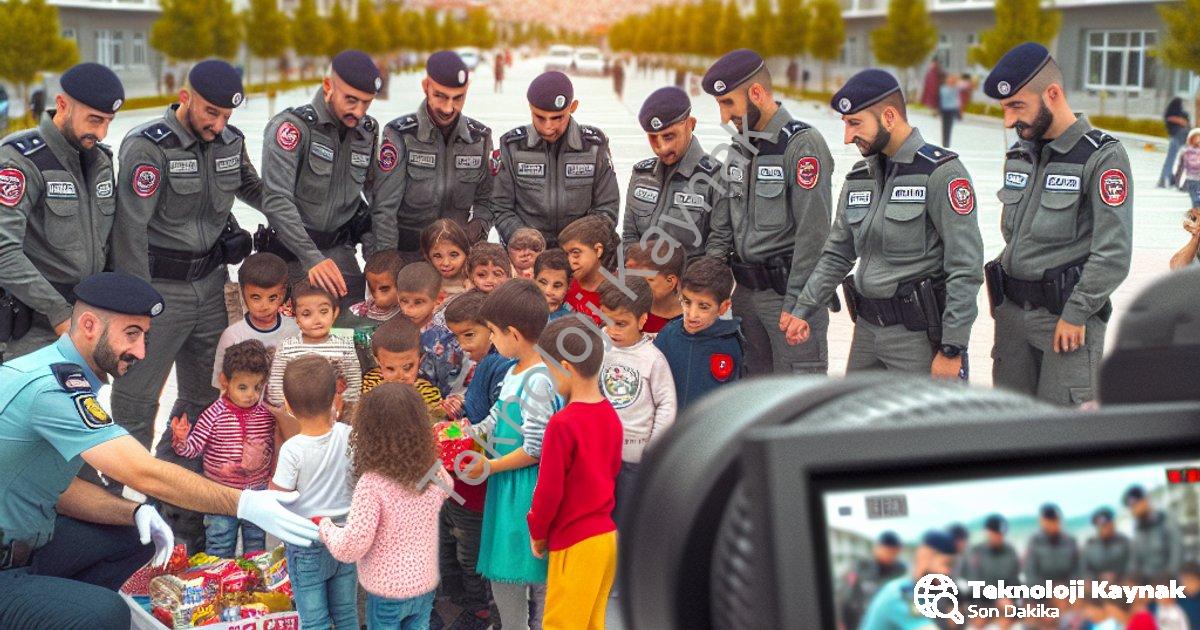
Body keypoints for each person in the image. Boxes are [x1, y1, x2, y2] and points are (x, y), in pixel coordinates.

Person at [0, 272, 318, 628]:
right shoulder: (53, 390)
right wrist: (244, 502)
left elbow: (55, 489)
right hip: (7, 566)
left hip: (26, 543)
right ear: (89, 325)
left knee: (136, 535)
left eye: (145, 336)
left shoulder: (48, 368)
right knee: (108, 613)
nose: (141, 351)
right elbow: (141, 471)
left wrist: (135, 512)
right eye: (132, 334)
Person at [111, 62, 263, 524]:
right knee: (136, 403)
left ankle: (177, 509)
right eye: (210, 112)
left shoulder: (230, 143)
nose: (217, 125)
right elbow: (129, 231)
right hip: (158, 290)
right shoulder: (147, 146)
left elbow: (255, 189)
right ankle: (117, 511)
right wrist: (139, 308)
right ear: (184, 96)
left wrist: (294, 205)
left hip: (211, 286)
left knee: (202, 400)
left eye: (226, 117)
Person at [783, 69, 983, 380]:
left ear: (888, 117)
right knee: (862, 425)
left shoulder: (941, 174)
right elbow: (838, 252)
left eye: (855, 124)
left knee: (921, 428)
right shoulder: (859, 178)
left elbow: (966, 266)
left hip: (918, 340)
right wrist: (803, 308)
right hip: (866, 334)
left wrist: (952, 348)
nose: (847, 137)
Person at [984, 42, 1132, 405]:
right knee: (1009, 431)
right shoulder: (1020, 153)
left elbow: (1113, 251)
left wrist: (1077, 311)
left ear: (1052, 94)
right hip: (1012, 319)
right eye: (1005, 108)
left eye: (1017, 106)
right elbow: (1015, 236)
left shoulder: (1101, 156)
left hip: (1065, 322)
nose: (1009, 120)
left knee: (1061, 432)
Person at [702, 48, 834, 377]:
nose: (723, 117)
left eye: (728, 103)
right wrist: (711, 287)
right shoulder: (738, 151)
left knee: (795, 403)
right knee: (750, 399)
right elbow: (722, 229)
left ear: (757, 94)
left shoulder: (802, 145)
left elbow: (814, 234)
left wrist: (798, 305)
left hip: (788, 296)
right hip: (745, 298)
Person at [0, 63, 125, 360]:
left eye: (109, 121)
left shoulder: (101, 161)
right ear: (62, 105)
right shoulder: (20, 159)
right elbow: (3, 249)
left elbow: (107, 245)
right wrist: (59, 314)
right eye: (95, 119)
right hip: (32, 329)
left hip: (84, 323)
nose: (102, 132)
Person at [464, 280, 557, 630]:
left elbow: (536, 449)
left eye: (492, 332)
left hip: (526, 488)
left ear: (513, 334)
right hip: (506, 484)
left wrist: (490, 465)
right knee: (504, 572)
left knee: (531, 569)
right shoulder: (515, 371)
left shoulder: (538, 379)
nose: (490, 340)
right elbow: (495, 419)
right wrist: (463, 433)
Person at [320, 383, 450, 630]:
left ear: (367, 432)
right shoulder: (433, 472)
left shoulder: (372, 484)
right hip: (424, 584)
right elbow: (447, 486)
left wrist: (326, 527)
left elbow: (350, 547)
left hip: (387, 591)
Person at [259, 50, 381, 309]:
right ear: (328, 86)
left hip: (340, 251)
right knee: (298, 337)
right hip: (293, 254)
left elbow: (374, 196)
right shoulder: (292, 128)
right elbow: (276, 200)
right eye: (351, 100)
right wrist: (311, 258)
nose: (358, 111)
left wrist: (376, 256)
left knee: (351, 334)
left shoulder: (367, 132)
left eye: (366, 103)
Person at [529, 315, 623, 630]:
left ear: (566, 367)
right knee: (593, 623)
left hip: (575, 541)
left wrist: (537, 531)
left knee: (561, 624)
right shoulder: (610, 414)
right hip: (606, 539)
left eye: (550, 369)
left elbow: (549, 490)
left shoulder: (563, 423)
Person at [371, 51, 494, 263]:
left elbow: (488, 198)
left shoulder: (479, 138)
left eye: (458, 98)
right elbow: (384, 207)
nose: (448, 108)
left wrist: (480, 224)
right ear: (425, 86)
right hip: (409, 257)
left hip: (457, 259)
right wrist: (389, 260)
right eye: (440, 96)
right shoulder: (400, 134)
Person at [438, 290, 511, 628]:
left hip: (482, 476)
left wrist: (468, 430)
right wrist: (459, 406)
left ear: (492, 328)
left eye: (470, 334)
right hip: (467, 472)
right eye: (457, 336)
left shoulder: (500, 365)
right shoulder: (485, 364)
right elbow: (477, 407)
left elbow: (499, 423)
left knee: (472, 550)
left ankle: (482, 611)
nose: (463, 344)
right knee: (459, 542)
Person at [270, 355, 358, 629]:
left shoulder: (293, 449)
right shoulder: (349, 434)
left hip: (307, 541)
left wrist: (268, 488)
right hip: (345, 536)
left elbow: (279, 496)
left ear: (288, 405)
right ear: (334, 396)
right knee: (346, 614)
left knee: (314, 620)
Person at [486, 71, 620, 247]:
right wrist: (523, 239)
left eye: (557, 118)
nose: (548, 127)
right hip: (529, 254)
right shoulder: (512, 146)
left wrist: (580, 245)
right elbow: (500, 206)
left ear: (573, 107)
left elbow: (607, 207)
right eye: (540, 117)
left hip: (579, 252)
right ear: (530, 108)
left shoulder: (594, 146)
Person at [171, 339, 274, 558]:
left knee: (256, 546)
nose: (251, 395)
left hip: (256, 493)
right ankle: (217, 587)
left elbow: (276, 449)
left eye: (257, 387)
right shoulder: (214, 414)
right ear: (224, 382)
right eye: (242, 387)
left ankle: (252, 587)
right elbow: (193, 449)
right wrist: (181, 440)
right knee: (219, 545)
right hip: (219, 493)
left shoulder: (266, 415)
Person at [596, 278, 676, 527]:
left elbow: (666, 404)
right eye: (607, 321)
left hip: (634, 459)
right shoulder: (599, 345)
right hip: (598, 455)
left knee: (628, 524)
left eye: (621, 324)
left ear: (642, 320)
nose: (613, 330)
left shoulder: (653, 359)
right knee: (600, 522)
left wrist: (652, 451)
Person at [623, 87, 722, 259]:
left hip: (689, 282)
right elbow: (629, 235)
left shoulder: (716, 177)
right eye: (653, 138)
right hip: (641, 281)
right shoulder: (640, 175)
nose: (661, 148)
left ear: (691, 124)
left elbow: (718, 247)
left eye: (669, 136)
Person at [653, 256, 743, 410]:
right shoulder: (667, 336)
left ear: (723, 307)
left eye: (704, 306)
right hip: (670, 430)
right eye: (687, 302)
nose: (692, 314)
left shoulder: (733, 344)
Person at [265, 283, 362, 418]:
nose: (317, 320)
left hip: (336, 418)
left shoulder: (344, 346)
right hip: (296, 419)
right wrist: (293, 409)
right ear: (296, 318)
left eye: (323, 312)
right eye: (307, 314)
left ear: (335, 313)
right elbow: (275, 389)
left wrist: (339, 403)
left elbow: (355, 385)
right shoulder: (287, 348)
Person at [210, 252, 298, 390]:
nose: (264, 306)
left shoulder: (293, 329)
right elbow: (222, 385)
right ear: (242, 293)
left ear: (283, 294)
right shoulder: (233, 335)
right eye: (256, 297)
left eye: (272, 297)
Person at [859, 530, 957, 630]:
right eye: (946, 563)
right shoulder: (900, 594)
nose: (948, 572)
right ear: (925, 557)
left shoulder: (922, 594)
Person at [397, 261, 466, 397]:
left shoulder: (445, 340)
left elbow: (451, 388)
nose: (409, 309)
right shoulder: (397, 328)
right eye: (404, 301)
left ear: (439, 299)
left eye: (418, 302)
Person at [358, 315, 443, 415]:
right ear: (378, 361)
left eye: (407, 368)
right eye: (390, 368)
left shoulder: (428, 394)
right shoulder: (369, 386)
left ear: (420, 360)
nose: (399, 376)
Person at [838, 531, 907, 630]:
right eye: (888, 551)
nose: (891, 555)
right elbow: (844, 598)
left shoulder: (901, 571)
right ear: (877, 548)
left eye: (895, 552)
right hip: (860, 622)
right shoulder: (860, 568)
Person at [560, 215, 620, 326]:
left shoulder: (618, 295)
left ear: (598, 250)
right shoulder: (564, 284)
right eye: (566, 254)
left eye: (576, 253)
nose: (570, 261)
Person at [962, 515, 1021, 628]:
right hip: (981, 600)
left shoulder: (1010, 552)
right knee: (979, 617)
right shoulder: (976, 552)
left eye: (1001, 534)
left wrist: (1010, 598)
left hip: (1005, 599)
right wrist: (996, 597)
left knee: (1008, 612)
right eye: (996, 533)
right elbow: (973, 583)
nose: (999, 537)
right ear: (988, 532)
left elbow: (1014, 581)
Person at [1123, 484, 1182, 583]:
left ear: (1145, 501)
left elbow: (1177, 552)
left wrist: (1168, 575)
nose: (1133, 510)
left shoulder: (1165, 520)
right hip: (1148, 581)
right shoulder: (1138, 529)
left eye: (1134, 505)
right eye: (1130, 507)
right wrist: (1131, 576)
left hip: (1169, 580)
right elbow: (1135, 558)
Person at [625, 240, 685, 334]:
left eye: (646, 280)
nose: (637, 286)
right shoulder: (631, 313)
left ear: (670, 282)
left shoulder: (693, 320)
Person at [342, 249, 404, 327]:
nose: (378, 298)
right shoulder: (359, 312)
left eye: (384, 289)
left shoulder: (412, 314)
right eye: (372, 290)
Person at [1024, 503, 1080, 585]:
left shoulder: (1070, 542)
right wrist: (1051, 591)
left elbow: (1078, 571)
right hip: (1041, 593)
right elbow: (1030, 574)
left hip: (1067, 591)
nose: (1053, 524)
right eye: (1049, 521)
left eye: (1056, 520)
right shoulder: (1034, 542)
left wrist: (1066, 589)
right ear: (1042, 521)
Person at [422, 219, 473, 299]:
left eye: (453, 255)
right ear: (428, 257)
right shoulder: (423, 287)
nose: (446, 263)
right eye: (437, 256)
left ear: (467, 253)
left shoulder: (476, 284)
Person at [1082, 507, 1132, 581]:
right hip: (1099, 584)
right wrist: (1098, 577)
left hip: (1121, 582)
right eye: (1100, 525)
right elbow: (1085, 569)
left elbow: (1132, 564)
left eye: (1105, 524)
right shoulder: (1091, 545)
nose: (1104, 528)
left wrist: (1116, 575)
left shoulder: (1123, 541)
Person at [534, 248, 573, 321]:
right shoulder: (517, 312)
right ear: (533, 280)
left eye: (557, 286)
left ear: (569, 286)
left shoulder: (572, 322)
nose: (548, 291)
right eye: (543, 283)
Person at [1161, 97, 1191, 188]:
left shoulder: (1175, 113)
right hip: (1178, 137)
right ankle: (1167, 179)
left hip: (1178, 137)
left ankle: (1168, 179)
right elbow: (1174, 119)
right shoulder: (1175, 113)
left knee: (1172, 159)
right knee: (1172, 159)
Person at [1174, 128, 1200, 206]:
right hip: (1192, 180)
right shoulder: (1185, 152)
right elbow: (1180, 168)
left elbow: (1180, 168)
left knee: (1195, 200)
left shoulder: (1185, 151)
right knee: (1196, 200)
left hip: (1191, 179)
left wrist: (1177, 182)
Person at [938, 73, 961, 147]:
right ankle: (944, 143)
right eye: (949, 79)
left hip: (952, 109)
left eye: (951, 80)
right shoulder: (943, 88)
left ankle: (947, 143)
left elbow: (957, 100)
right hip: (944, 109)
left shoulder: (955, 89)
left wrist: (958, 111)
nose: (949, 81)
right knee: (944, 126)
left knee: (949, 127)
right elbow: (941, 99)